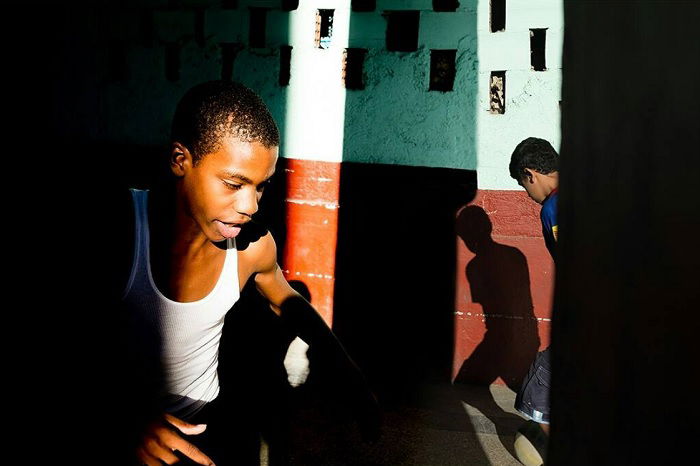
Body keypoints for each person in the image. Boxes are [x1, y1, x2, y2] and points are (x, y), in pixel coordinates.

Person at [104, 80, 378, 465]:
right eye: (234, 184)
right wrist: (126, 422)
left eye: (261, 187)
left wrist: (352, 378)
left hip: (205, 431)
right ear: (180, 159)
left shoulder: (252, 246)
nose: (249, 205)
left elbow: (287, 301)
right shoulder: (121, 229)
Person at [508, 137, 559, 466]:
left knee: (544, 377)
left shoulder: (554, 207)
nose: (528, 197)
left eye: (524, 186)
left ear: (531, 174)